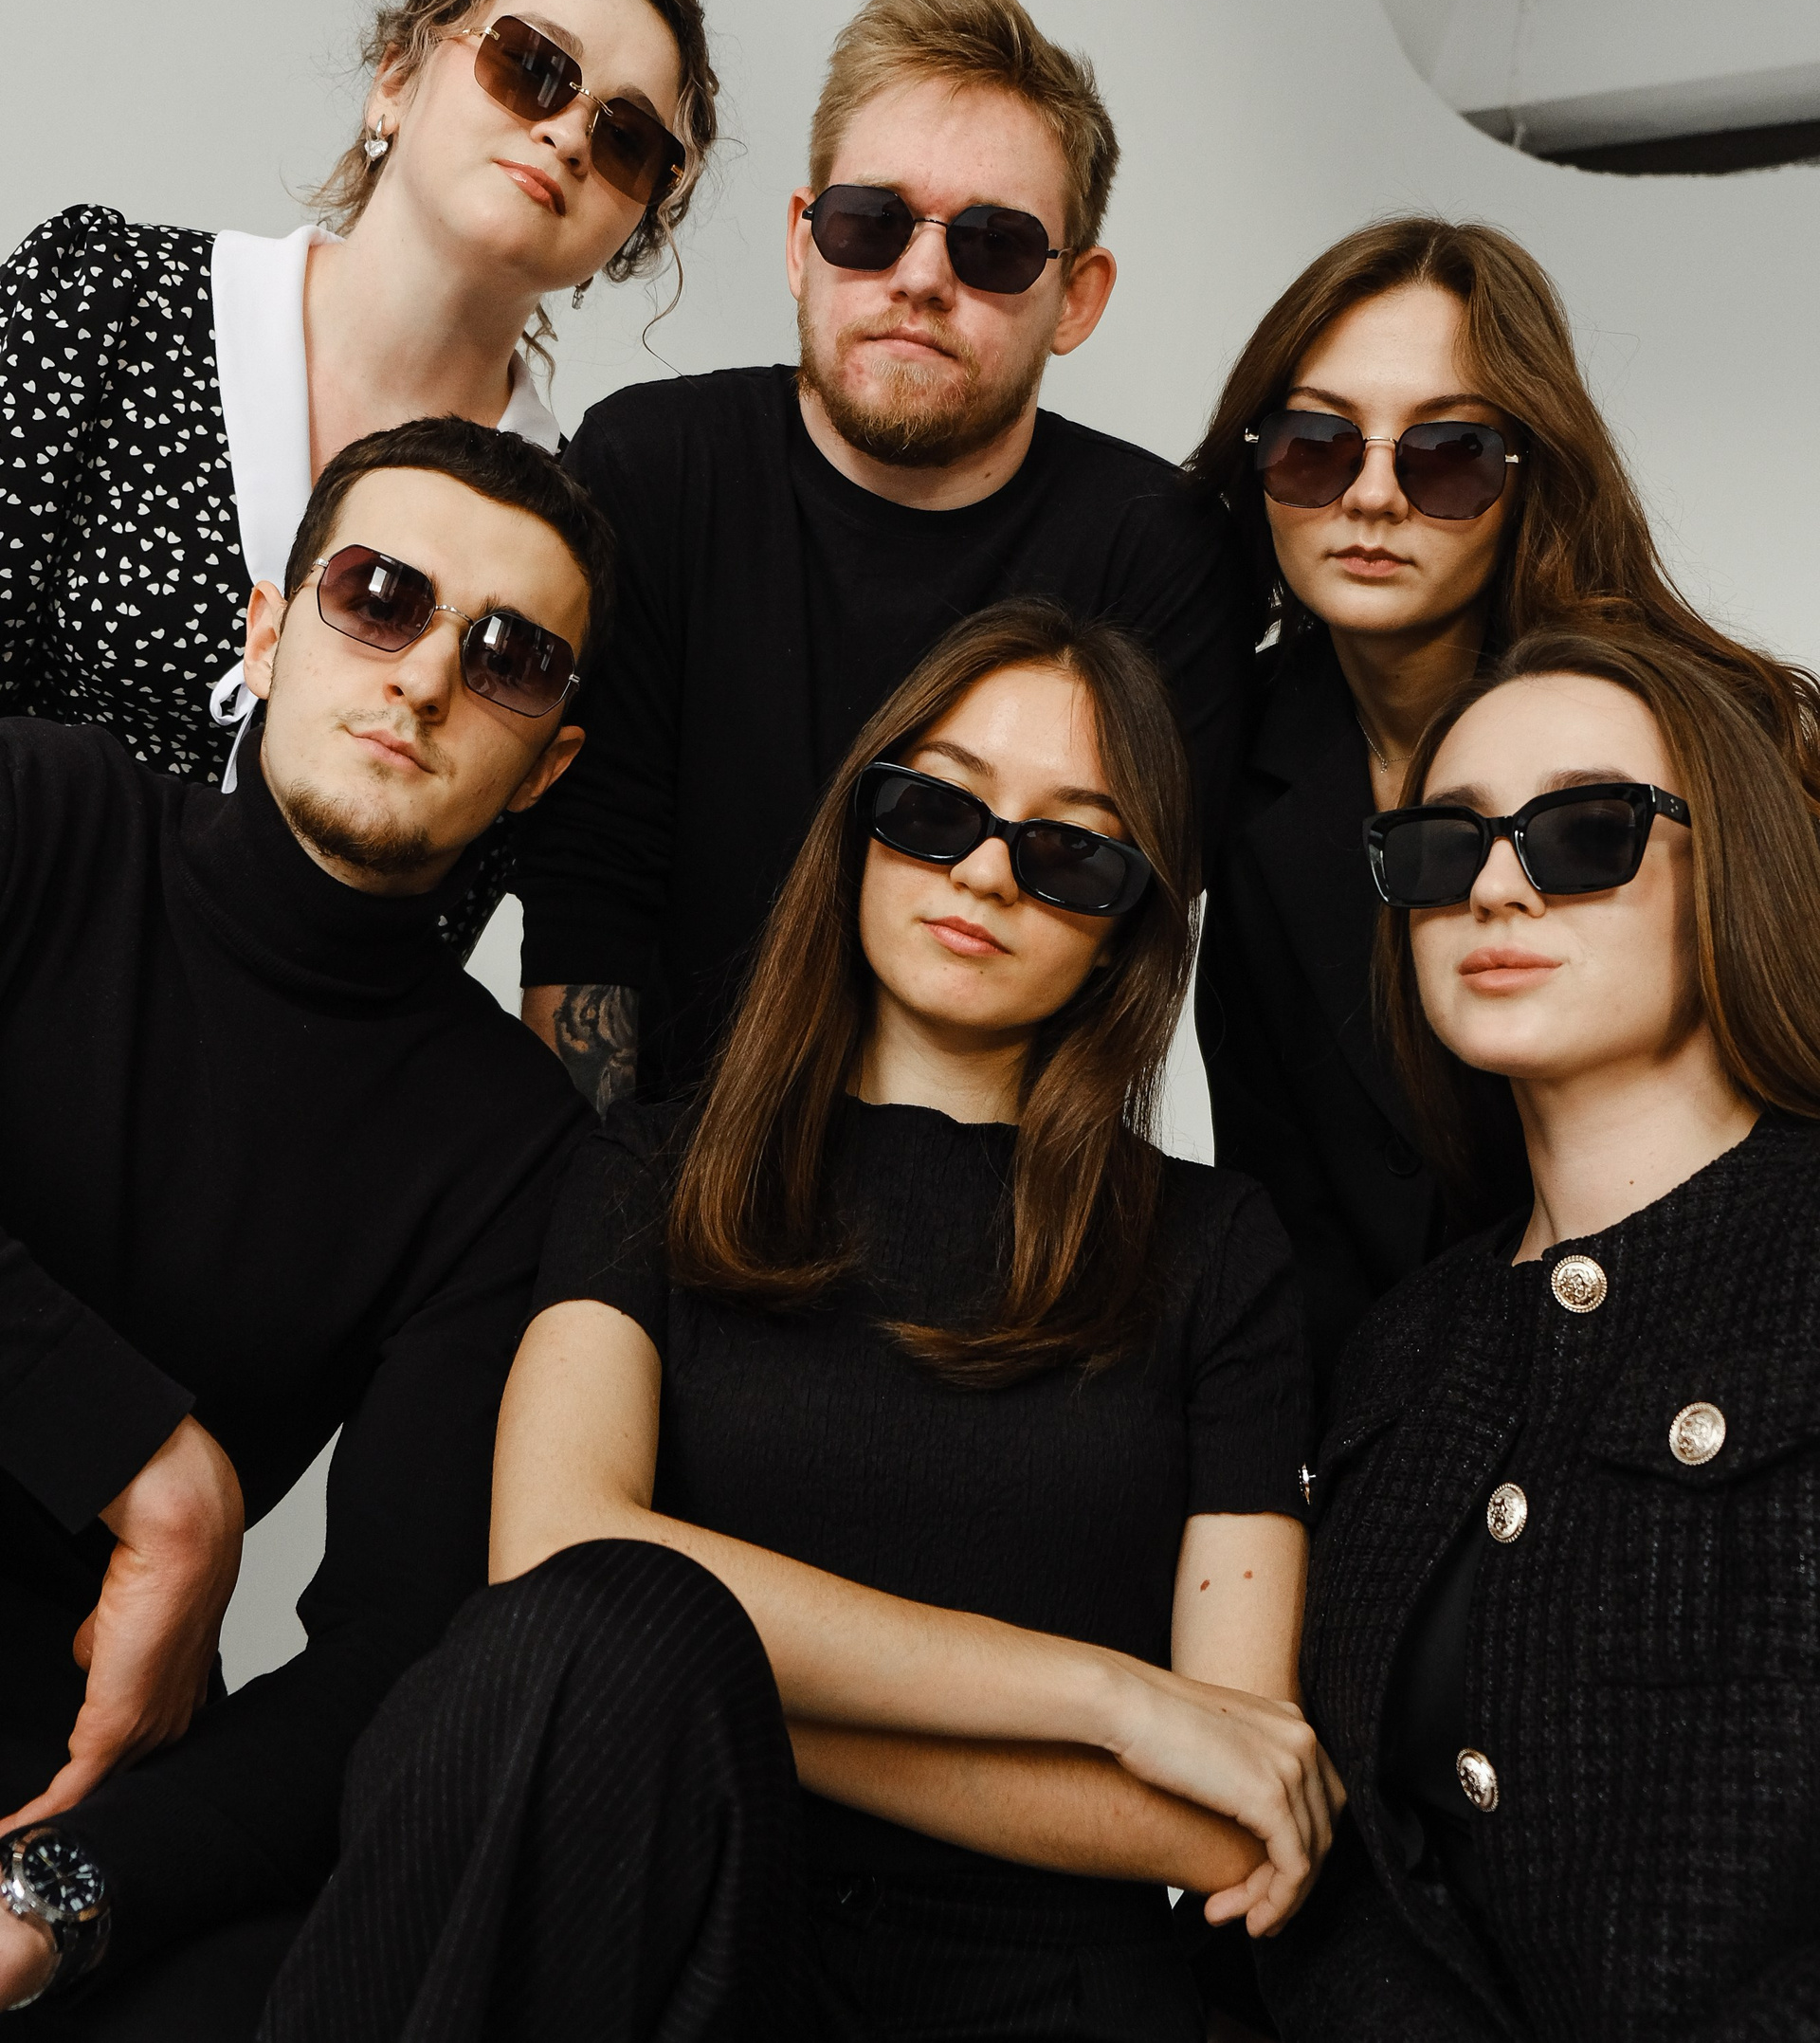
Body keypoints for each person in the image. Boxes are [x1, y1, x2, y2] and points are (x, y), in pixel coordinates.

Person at [261, 600, 1337, 2043]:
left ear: (1125, 929)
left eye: (1070, 851)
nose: (985, 874)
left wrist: (686, 1722)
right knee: (554, 1651)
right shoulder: (649, 1169)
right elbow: (561, 1555)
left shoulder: (1217, 1248)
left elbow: (1223, 1812)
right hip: (680, 1958)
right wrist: (1107, 1699)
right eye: (936, 810)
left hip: (1046, 1995)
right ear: (859, 829)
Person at [0, 418, 610, 2036]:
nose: (426, 677)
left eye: (509, 656)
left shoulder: (513, 1151)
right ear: (269, 632)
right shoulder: (37, 806)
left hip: (50, 1773)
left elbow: (391, 1657)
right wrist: (157, 1466)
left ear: (547, 763)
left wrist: (57, 1899)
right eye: (379, 596)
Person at [515, 0, 1253, 1107]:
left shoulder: (1164, 555)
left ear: (1077, 296)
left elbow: (1117, 958)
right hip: (658, 1162)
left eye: (995, 246)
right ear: (802, 243)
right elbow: (587, 905)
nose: (920, 279)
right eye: (870, 223)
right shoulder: (651, 468)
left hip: (1000, 1181)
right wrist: (591, 1204)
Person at [1259, 620, 1820, 2042]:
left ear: (1734, 864)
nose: (1495, 886)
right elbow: (1361, 1882)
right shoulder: (1400, 1352)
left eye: (1583, 832)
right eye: (1444, 846)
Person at [1186, 217, 1820, 1410]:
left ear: (1530, 472)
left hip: (1697, 1375)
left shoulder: (1698, 738)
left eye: (1447, 454)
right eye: (1318, 446)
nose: (1373, 497)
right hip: (1365, 1419)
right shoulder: (1214, 744)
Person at [0, 0, 716, 944]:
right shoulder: (109, 298)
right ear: (396, 79)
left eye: (626, 139)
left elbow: (447, 918)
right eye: (531, 68)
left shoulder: (571, 547)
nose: (568, 134)